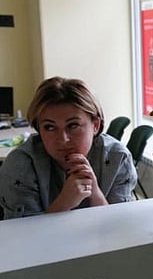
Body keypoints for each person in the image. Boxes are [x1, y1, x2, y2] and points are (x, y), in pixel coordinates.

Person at [0, 76, 137, 219]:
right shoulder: (20, 165)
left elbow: (120, 230)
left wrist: (95, 194)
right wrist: (64, 203)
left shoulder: (117, 158)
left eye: (73, 126)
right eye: (50, 127)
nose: (63, 139)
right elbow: (22, 237)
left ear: (95, 126)